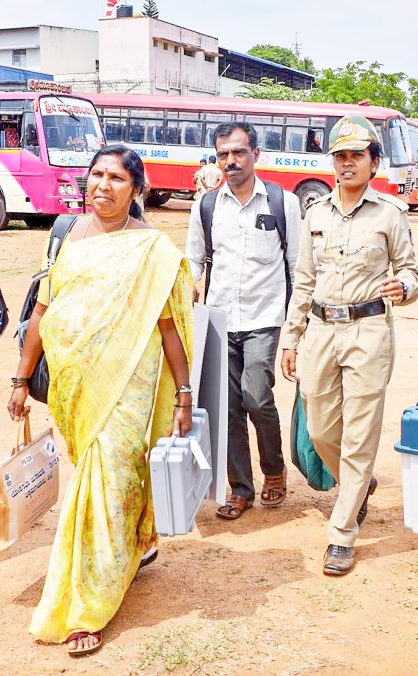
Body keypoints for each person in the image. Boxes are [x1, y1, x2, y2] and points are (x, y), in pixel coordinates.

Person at [7, 144, 194, 657]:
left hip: (128, 389)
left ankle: (88, 605)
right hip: (75, 389)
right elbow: (43, 314)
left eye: (116, 178)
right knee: (105, 485)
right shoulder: (68, 238)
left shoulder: (152, 250)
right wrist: (21, 381)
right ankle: (132, 548)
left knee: (108, 484)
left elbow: (168, 327)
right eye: (96, 175)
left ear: (137, 190)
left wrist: (182, 393)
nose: (103, 185)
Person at [281, 115, 418, 575]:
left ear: (373, 162)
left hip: (368, 331)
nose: (346, 164)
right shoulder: (315, 212)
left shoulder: (390, 214)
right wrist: (291, 338)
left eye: (355, 155)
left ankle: (342, 532)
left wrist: (405, 287)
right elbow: (303, 280)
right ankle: (357, 483)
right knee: (321, 430)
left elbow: (411, 271)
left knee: (360, 433)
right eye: (339, 156)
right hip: (320, 331)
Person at [185, 122, 302, 520]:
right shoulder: (206, 206)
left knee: (256, 396)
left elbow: (298, 267)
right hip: (218, 319)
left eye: (238, 153)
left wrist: (296, 332)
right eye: (222, 155)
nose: (230, 162)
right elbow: (192, 262)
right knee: (226, 407)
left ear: (256, 154)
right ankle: (240, 488)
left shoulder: (282, 203)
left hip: (263, 317)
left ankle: (274, 470)